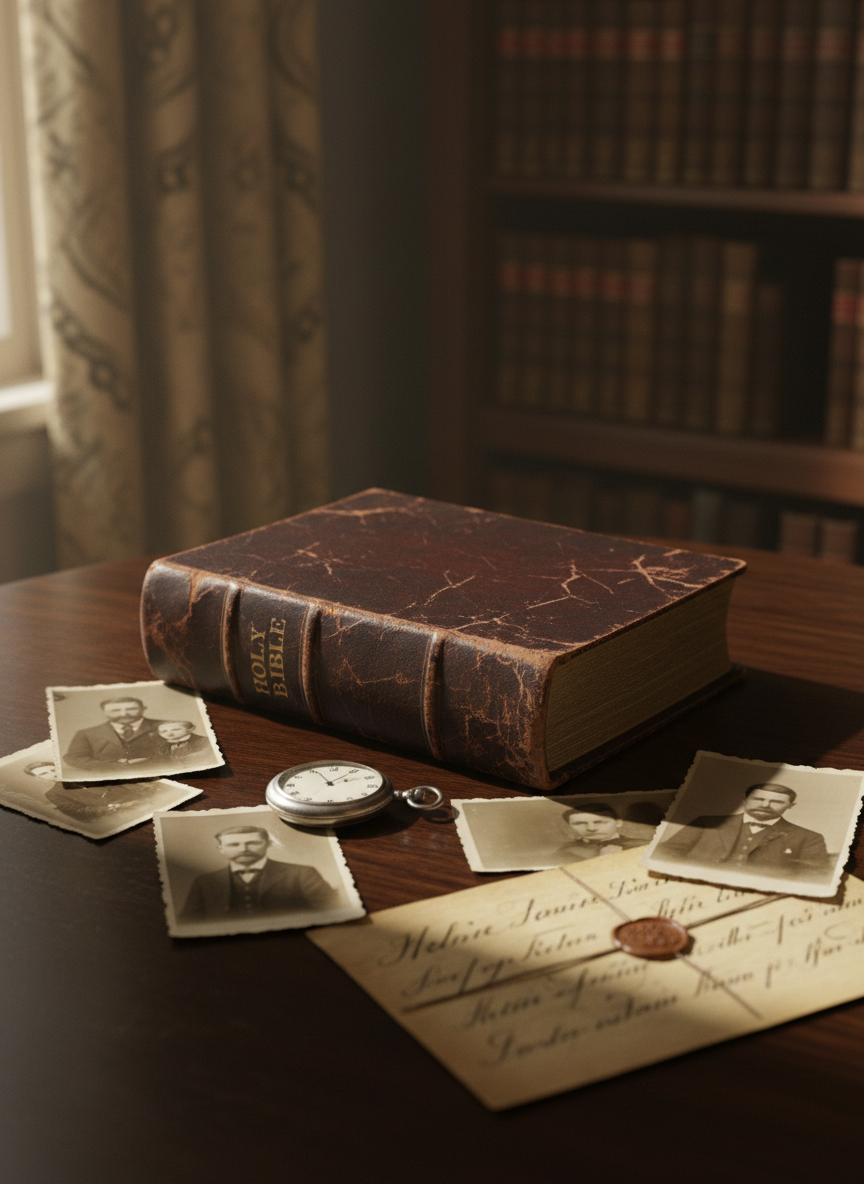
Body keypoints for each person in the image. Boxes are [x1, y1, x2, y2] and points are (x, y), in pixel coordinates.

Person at [655, 783, 830, 877]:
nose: (765, 805)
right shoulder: (707, 821)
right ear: (745, 799)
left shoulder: (809, 837)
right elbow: (666, 853)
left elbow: (813, 875)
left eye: (776, 802)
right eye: (758, 799)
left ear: (791, 806)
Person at [181, 826, 340, 921]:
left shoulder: (302, 873)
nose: (243, 849)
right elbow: (189, 922)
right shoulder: (204, 882)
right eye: (234, 844)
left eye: (252, 843)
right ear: (221, 849)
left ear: (268, 844)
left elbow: (332, 910)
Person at [22, 759, 154, 823]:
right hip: (114, 815)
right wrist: (111, 809)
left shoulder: (90, 774)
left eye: (53, 769)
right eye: (45, 773)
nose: (53, 773)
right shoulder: (53, 794)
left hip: (145, 801)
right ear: (39, 778)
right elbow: (79, 812)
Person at [62, 697, 168, 771]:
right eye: (115, 710)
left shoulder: (168, 726)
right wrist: (114, 766)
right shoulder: (87, 733)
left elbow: (182, 753)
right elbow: (74, 758)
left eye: (131, 709)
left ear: (143, 709)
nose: (124, 714)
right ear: (104, 712)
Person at [552, 803, 657, 864]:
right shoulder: (565, 851)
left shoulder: (644, 845)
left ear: (618, 822)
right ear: (570, 826)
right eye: (580, 823)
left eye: (599, 822)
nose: (591, 828)